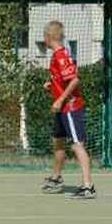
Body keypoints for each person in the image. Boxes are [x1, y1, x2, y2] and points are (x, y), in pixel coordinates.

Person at [40, 21, 96, 199]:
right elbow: (64, 79)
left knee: (77, 145)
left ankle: (88, 186)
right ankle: (56, 178)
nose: (44, 40)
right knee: (57, 141)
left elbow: (74, 80)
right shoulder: (56, 55)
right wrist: (52, 85)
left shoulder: (61, 55)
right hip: (61, 107)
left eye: (44, 37)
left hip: (70, 107)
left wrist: (60, 99)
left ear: (49, 37)